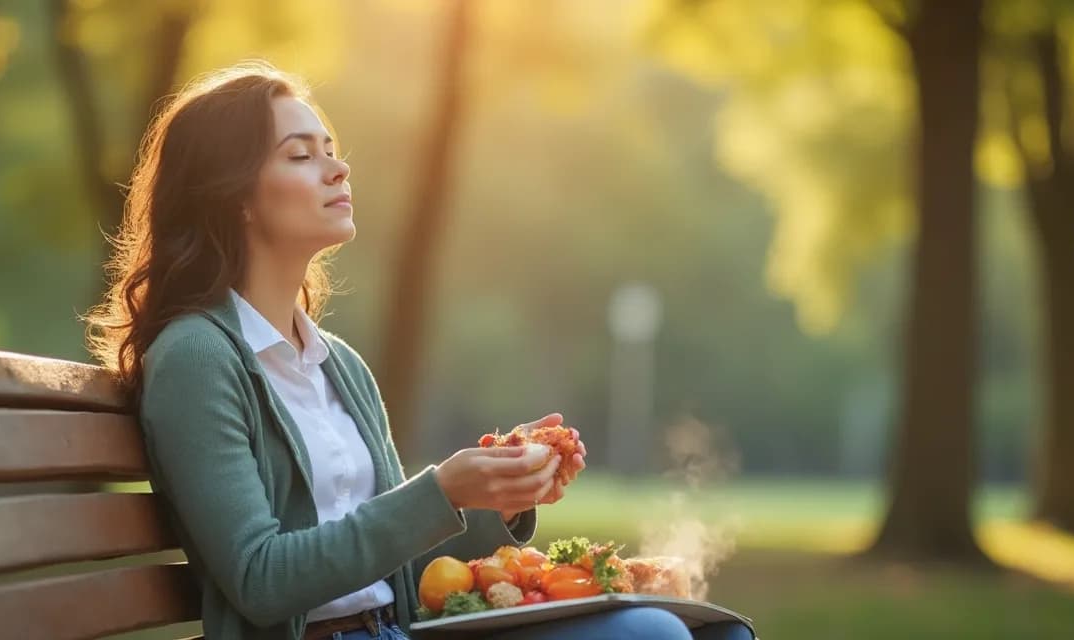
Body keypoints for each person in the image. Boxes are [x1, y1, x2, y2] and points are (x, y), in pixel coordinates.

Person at [86, 61, 753, 640]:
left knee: (713, 631)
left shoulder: (336, 364)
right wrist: (439, 489)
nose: (337, 167)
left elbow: (393, 565)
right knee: (648, 635)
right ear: (232, 197)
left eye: (331, 148)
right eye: (300, 155)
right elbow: (261, 579)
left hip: (398, 632)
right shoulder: (198, 359)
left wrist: (494, 495)